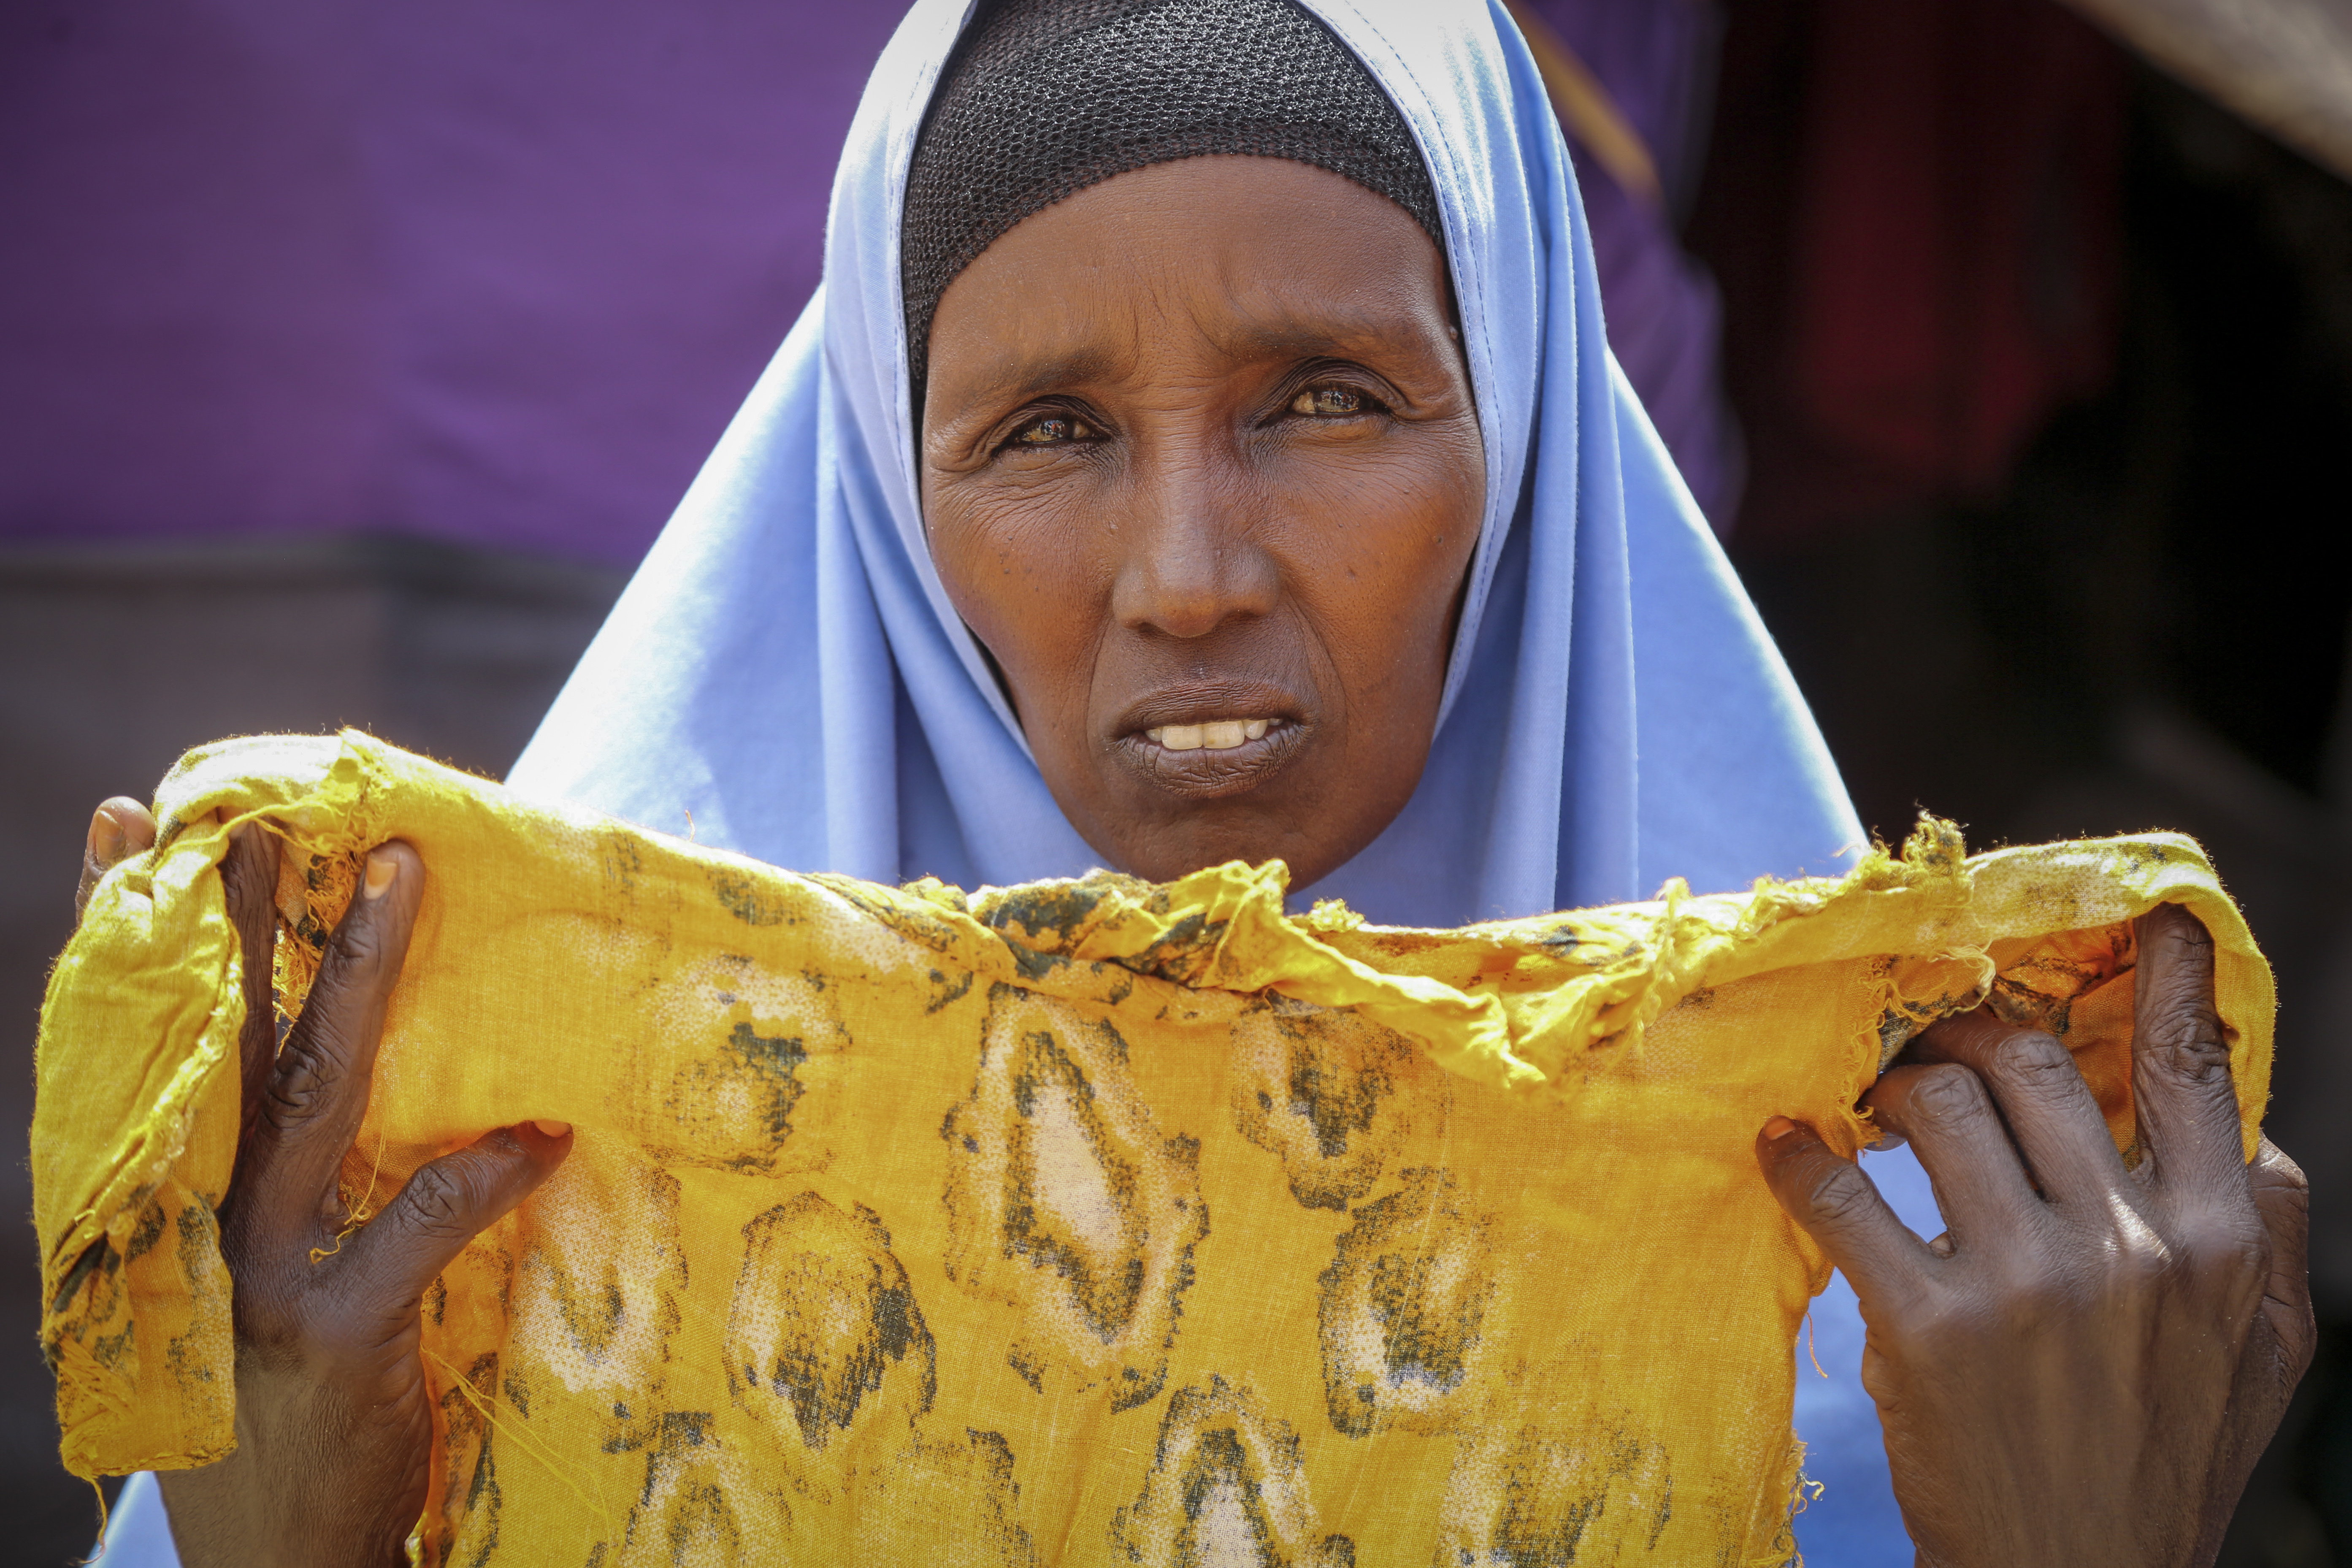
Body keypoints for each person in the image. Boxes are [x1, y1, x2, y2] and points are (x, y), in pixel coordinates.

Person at [73, 0, 2311, 1562]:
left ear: (1520, 435)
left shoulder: (1938, 1289)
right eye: (1043, 432)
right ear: (887, 495)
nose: (1184, 574)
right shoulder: (487, 1210)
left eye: (1327, 397)